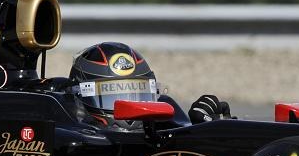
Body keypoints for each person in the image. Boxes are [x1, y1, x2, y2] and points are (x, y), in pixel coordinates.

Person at [69, 42, 232, 130]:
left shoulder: (161, 131)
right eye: (110, 96)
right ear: (80, 96)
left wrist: (210, 130)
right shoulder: (69, 141)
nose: (130, 109)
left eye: (140, 93)